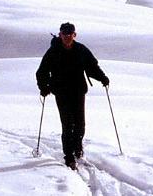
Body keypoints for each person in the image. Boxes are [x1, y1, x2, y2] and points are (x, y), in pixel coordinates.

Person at [36, 22, 109, 169]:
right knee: (67, 125)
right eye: (64, 33)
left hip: (78, 91)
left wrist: (102, 78)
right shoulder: (53, 51)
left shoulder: (81, 50)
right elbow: (42, 71)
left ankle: (78, 148)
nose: (67, 36)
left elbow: (92, 66)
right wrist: (44, 87)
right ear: (60, 34)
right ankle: (69, 156)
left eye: (70, 34)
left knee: (80, 124)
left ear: (74, 35)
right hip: (61, 93)